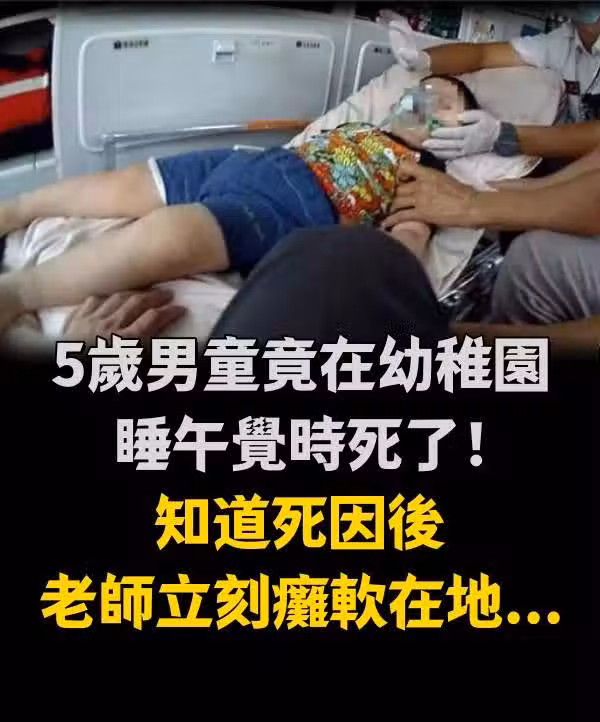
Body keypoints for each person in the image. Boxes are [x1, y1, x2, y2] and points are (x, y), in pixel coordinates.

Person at [0, 75, 478, 335]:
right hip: (253, 162)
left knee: (173, 234)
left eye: (444, 102)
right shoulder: (361, 128)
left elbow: (408, 235)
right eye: (423, 89)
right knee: (123, 184)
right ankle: (19, 207)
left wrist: (396, 251)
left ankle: (20, 293)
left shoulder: (421, 168)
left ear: (457, 131)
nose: (425, 98)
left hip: (295, 205)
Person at [388, 13, 600, 159]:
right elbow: (483, 55)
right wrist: (424, 59)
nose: (429, 104)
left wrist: (504, 136)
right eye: (425, 93)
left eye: (445, 105)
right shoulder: (562, 42)